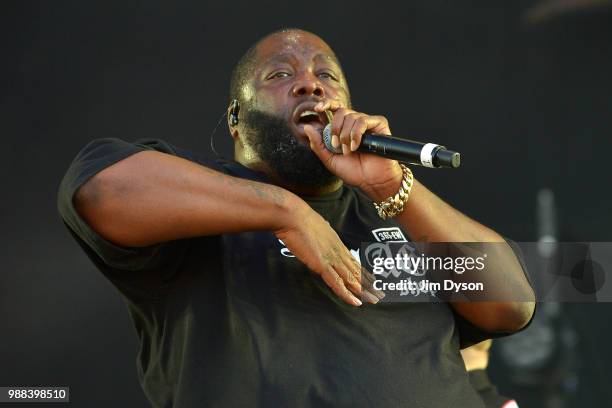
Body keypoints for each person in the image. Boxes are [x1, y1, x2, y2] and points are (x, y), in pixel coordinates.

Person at [57, 28, 535, 407]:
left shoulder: (393, 211)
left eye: (327, 76)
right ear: (235, 118)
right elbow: (101, 188)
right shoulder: (198, 205)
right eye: (279, 75)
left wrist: (393, 186)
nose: (310, 83)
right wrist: (285, 211)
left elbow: (512, 305)